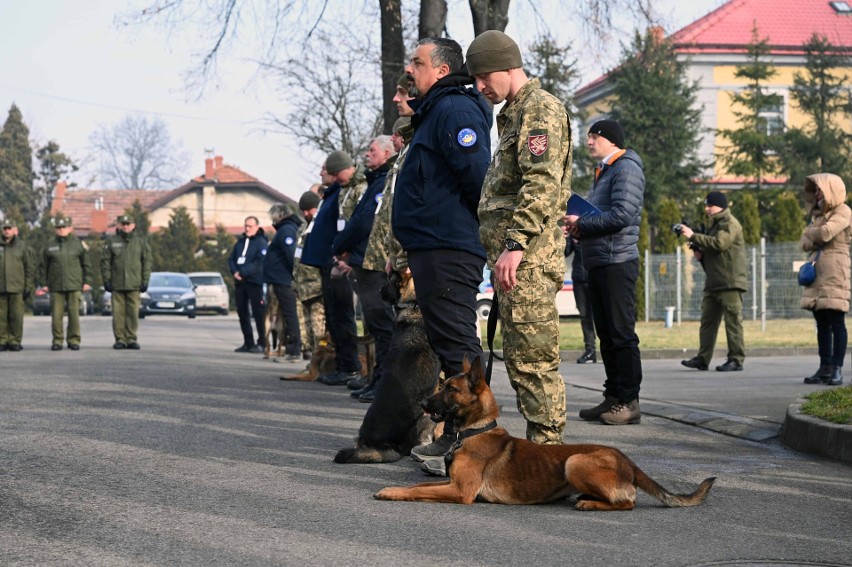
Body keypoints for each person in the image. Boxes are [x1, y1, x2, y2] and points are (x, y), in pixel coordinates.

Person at [468, 30, 572, 444]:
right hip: (515, 262)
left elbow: (540, 184)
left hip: (527, 259)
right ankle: (540, 451)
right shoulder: (514, 113)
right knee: (520, 360)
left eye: (483, 76)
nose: (479, 86)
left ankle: (547, 454)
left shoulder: (540, 110)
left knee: (533, 362)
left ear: (507, 67)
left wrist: (514, 246)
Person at [391, 37, 492, 458]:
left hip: (448, 247)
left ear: (442, 71)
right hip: (435, 246)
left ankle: (474, 443)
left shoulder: (454, 109)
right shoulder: (435, 111)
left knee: (459, 349)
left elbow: (477, 179)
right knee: (452, 346)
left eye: (417, 62)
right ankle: (461, 439)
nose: (409, 69)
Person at [563, 119, 644, 425]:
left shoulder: (626, 168)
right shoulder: (606, 171)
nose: (589, 142)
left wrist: (581, 224)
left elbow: (622, 215)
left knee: (621, 334)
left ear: (610, 140)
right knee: (607, 335)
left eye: (594, 136)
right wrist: (579, 228)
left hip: (617, 261)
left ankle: (629, 401)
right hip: (599, 260)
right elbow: (603, 217)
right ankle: (613, 397)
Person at [332, 135, 397, 401]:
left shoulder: (383, 181)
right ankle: (376, 379)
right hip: (363, 260)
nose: (366, 154)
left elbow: (365, 222)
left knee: (383, 327)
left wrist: (340, 244)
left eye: (372, 150)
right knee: (374, 326)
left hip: (375, 262)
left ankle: (385, 383)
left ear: (386, 152)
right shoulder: (375, 180)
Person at [300, 151, 365, 385]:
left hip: (339, 264)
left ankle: (350, 367)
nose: (320, 173)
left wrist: (342, 256)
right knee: (334, 318)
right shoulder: (332, 193)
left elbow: (350, 224)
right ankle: (342, 364)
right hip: (328, 263)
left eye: (325, 170)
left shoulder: (346, 191)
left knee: (343, 316)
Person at [679, 191, 747, 373]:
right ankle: (703, 358)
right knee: (707, 322)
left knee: (733, 322)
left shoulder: (730, 223)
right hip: (714, 282)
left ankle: (736, 359)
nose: (707, 208)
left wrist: (693, 236)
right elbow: (712, 251)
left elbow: (719, 244)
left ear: (721, 206)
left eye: (710, 205)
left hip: (730, 283)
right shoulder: (714, 225)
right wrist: (699, 252)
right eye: (706, 205)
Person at [800, 173, 851, 386]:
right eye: (817, 191)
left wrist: (811, 232)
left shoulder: (844, 211)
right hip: (817, 273)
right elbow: (804, 243)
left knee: (836, 321)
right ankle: (825, 367)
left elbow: (826, 233)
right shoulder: (818, 215)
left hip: (835, 271)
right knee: (821, 322)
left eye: (821, 190)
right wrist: (813, 233)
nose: (818, 195)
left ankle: (837, 368)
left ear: (831, 190)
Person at [101, 214, 152, 350]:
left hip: (134, 284)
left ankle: (131, 338)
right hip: (117, 284)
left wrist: (145, 280)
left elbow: (147, 262)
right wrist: (107, 279)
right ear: (118, 225)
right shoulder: (111, 241)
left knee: (133, 313)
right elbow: (105, 262)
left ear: (133, 225)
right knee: (118, 313)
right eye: (123, 224)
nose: (125, 226)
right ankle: (120, 339)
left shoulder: (140, 242)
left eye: (128, 224)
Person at [42, 216, 92, 351]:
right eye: (58, 227)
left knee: (74, 314)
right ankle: (57, 340)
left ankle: (74, 340)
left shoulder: (78, 244)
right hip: (56, 285)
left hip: (74, 285)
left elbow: (86, 264)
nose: (61, 230)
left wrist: (87, 281)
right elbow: (43, 266)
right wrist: (44, 282)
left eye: (64, 227)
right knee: (56, 315)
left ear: (70, 228)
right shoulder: (50, 245)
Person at [264, 202, 304, 361]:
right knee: (287, 314)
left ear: (279, 216)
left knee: (290, 315)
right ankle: (291, 348)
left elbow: (290, 254)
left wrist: (294, 274)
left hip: (283, 279)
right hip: (280, 278)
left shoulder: (286, 230)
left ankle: (294, 350)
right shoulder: (286, 229)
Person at [292, 189, 325, 362]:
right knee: (306, 330)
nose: (305, 214)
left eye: (308, 210)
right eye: (302, 211)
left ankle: (323, 362)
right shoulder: (302, 228)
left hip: (317, 287)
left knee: (319, 328)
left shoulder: (321, 224)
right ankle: (312, 360)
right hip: (301, 285)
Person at [228, 216, 269, 353]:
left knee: (258, 313)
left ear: (257, 227)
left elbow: (260, 262)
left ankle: (263, 342)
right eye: (246, 225)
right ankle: (248, 342)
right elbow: (231, 259)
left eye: (250, 226)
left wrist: (244, 272)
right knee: (242, 312)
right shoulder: (240, 242)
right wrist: (235, 272)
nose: (247, 228)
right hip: (240, 283)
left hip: (254, 282)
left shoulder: (261, 242)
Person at [0, 220, 35, 351]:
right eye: (4, 228)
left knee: (16, 316)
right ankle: (2, 340)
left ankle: (15, 340)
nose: (7, 231)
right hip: (1, 287)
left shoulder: (22, 246)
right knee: (1, 317)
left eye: (9, 228)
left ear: (14, 229)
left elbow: (29, 268)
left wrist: (28, 287)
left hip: (17, 287)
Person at [566, 237, 596, 363]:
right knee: (585, 316)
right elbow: (565, 252)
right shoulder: (574, 234)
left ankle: (610, 350)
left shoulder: (595, 227)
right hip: (579, 279)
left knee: (602, 316)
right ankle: (590, 350)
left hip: (595, 277)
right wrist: (566, 238)